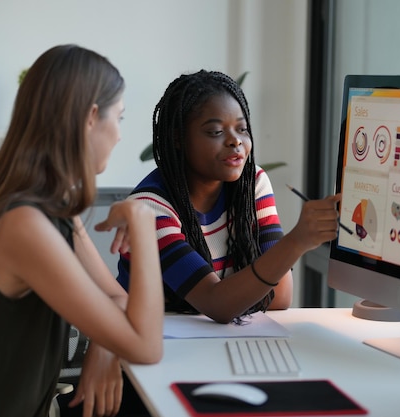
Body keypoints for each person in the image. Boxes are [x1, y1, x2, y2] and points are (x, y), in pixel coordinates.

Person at [0, 44, 164, 417]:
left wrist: (104, 347)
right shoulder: (24, 225)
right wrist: (144, 222)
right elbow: (146, 346)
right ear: (90, 117)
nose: (119, 135)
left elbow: (117, 302)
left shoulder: (50, 210)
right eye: (119, 117)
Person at [117, 69, 340, 324]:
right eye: (215, 132)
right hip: (149, 349)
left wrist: (234, 296)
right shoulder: (149, 210)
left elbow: (279, 297)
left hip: (213, 344)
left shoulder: (252, 184)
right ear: (178, 138)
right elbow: (217, 304)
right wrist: (297, 241)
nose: (235, 141)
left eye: (242, 129)